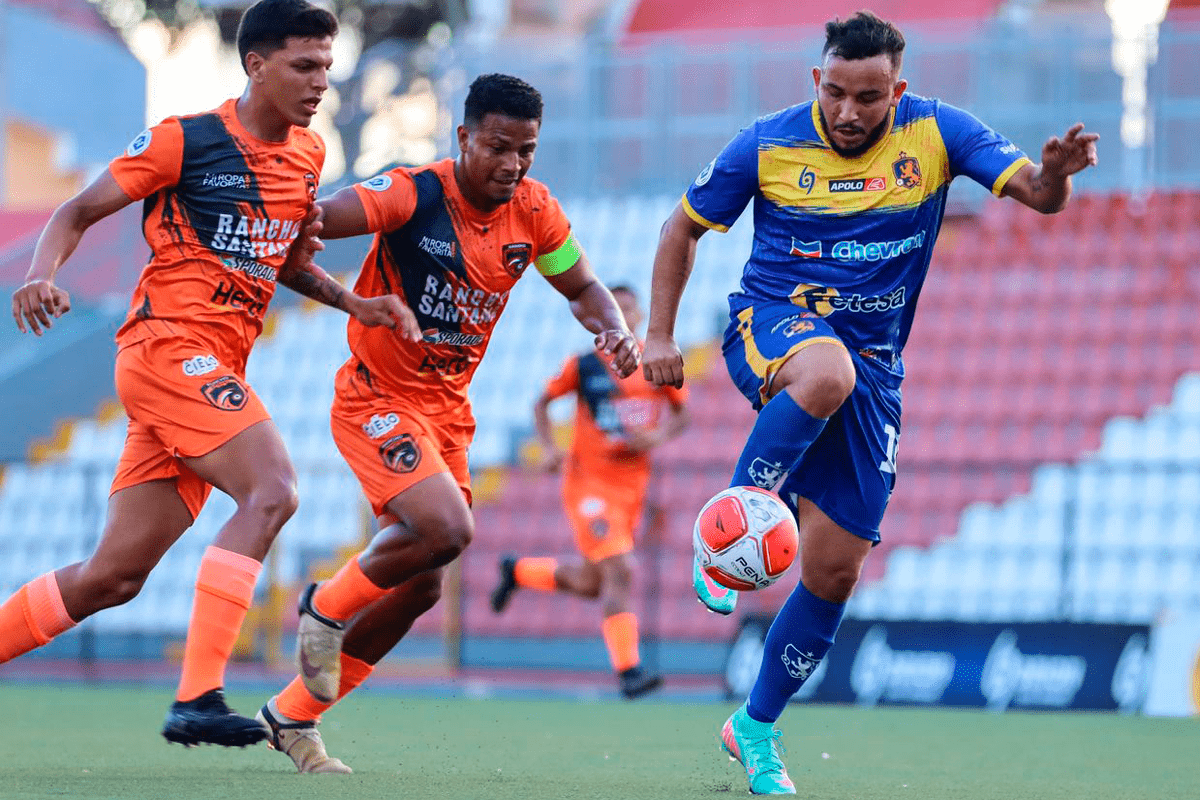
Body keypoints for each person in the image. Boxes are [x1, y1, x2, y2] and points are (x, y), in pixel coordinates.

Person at [640, 11, 1099, 795]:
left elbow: (1037, 194)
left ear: (899, 91)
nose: (852, 113)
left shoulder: (937, 134)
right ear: (817, 81)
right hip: (774, 321)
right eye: (839, 93)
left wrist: (1053, 174)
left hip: (878, 368)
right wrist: (658, 334)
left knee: (836, 570)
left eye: (871, 97)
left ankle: (753, 726)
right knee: (825, 374)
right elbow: (683, 228)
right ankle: (729, 527)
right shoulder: (767, 142)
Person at [2, 0, 418, 748]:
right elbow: (74, 210)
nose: (320, 80)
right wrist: (41, 275)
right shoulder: (183, 140)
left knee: (112, 576)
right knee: (274, 489)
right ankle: (197, 696)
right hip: (165, 349)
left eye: (326, 65)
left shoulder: (308, 155)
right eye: (303, 65)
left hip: (209, 369)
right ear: (255, 65)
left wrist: (356, 301)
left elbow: (285, 260)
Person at [252, 73, 640, 773]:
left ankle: (293, 716)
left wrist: (611, 331)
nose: (513, 164)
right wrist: (337, 280)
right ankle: (325, 610)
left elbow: (581, 287)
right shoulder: (414, 193)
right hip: (376, 399)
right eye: (498, 147)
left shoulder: (534, 212)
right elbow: (316, 220)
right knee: (449, 530)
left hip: (448, 414)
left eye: (526, 150)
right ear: (463, 137)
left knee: (425, 583)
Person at [488, 284, 688, 700]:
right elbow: (542, 402)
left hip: (630, 491)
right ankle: (629, 671)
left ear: (638, 317)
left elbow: (682, 414)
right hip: (588, 485)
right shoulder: (583, 366)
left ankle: (518, 571)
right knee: (623, 570)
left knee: (594, 583)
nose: (624, 319)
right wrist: (547, 448)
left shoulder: (655, 364)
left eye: (629, 311)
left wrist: (657, 437)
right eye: (615, 312)